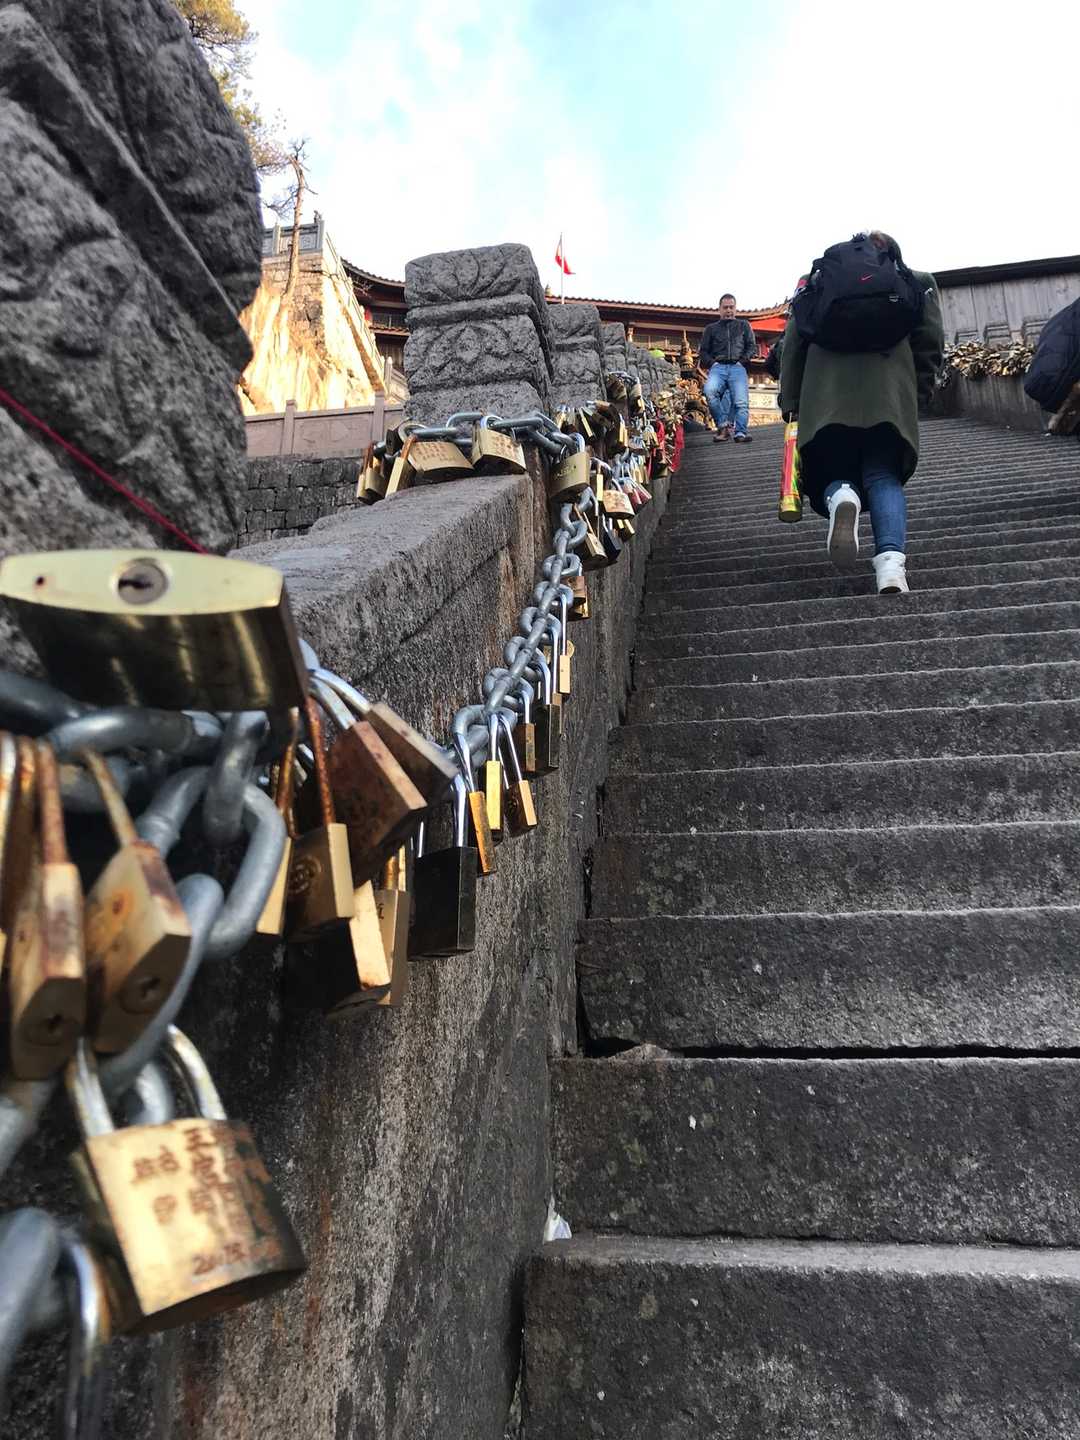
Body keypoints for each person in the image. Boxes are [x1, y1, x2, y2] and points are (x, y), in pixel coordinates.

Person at [779, 232, 944, 594]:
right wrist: (916, 394)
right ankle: (890, 566)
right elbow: (930, 342)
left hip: (824, 394)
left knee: (832, 471)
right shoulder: (916, 282)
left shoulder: (817, 282)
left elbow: (793, 343)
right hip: (888, 393)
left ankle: (841, 494)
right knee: (883, 475)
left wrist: (790, 400)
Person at [698, 294, 757, 443]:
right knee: (709, 391)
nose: (729, 310)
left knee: (741, 402)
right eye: (725, 307)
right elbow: (703, 351)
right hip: (718, 367)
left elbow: (752, 346)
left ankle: (740, 432)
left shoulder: (744, 325)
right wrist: (712, 363)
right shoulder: (711, 329)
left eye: (731, 307)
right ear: (719, 309)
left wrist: (742, 361)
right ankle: (723, 425)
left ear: (735, 308)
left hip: (737, 366)